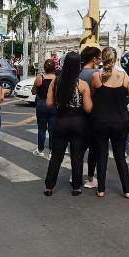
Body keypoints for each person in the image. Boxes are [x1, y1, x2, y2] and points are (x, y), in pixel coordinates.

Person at [43, 51, 93, 196]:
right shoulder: (82, 84)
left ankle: (49, 186)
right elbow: (88, 108)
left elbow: (49, 104)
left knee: (56, 156)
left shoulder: (56, 81)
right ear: (79, 65)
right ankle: (76, 187)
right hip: (78, 122)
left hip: (60, 121)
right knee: (77, 156)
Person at [91, 47, 129, 199]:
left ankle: (101, 189)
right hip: (120, 121)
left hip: (101, 121)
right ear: (117, 59)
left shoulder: (96, 76)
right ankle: (126, 190)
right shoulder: (125, 77)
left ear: (102, 59)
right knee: (120, 156)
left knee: (102, 155)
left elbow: (93, 96)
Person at [79, 46, 101, 188]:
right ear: (94, 59)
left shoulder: (78, 73)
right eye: (99, 58)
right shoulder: (96, 74)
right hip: (93, 114)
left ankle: (74, 174)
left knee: (79, 147)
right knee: (94, 148)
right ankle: (91, 178)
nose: (100, 61)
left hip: (78, 114)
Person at [31, 59, 57, 157]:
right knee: (52, 129)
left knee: (41, 128)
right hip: (53, 104)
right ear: (54, 68)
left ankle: (40, 150)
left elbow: (33, 92)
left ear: (44, 68)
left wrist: (36, 86)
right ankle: (51, 151)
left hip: (42, 104)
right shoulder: (57, 78)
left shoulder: (40, 78)